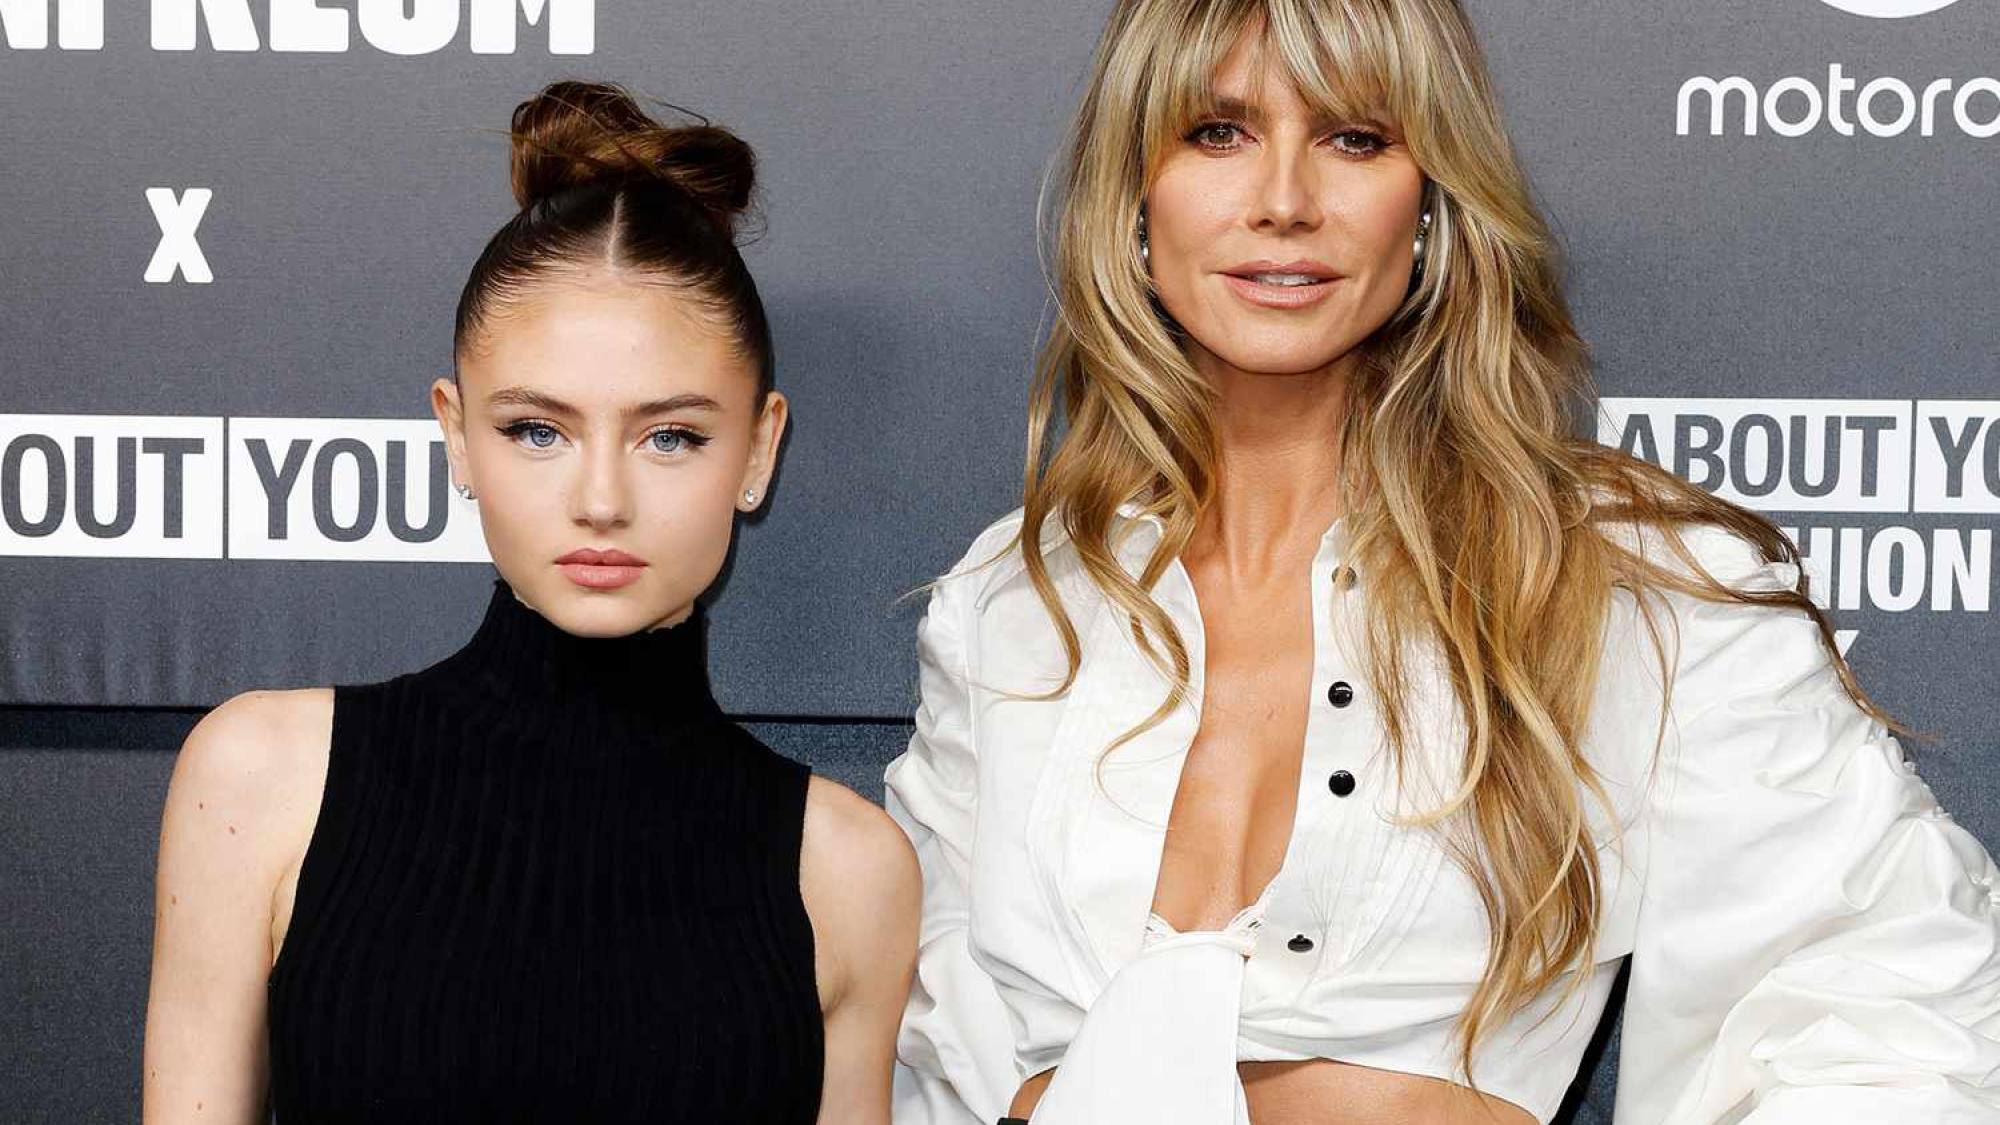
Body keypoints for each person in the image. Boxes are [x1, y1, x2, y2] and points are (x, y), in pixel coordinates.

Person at [883, 2, 2000, 1123]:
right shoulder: (1013, 598)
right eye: (1218, 133)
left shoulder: (1626, 581)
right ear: (1134, 193)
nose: (1283, 199)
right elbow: (923, 1052)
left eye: (1354, 138)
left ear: (1429, 202)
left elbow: (1895, 1001)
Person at [141, 80, 919, 1124]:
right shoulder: (262, 779)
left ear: (758, 448)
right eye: (537, 430)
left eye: (671, 436)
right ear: (457, 435)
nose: (601, 500)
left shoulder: (847, 872)